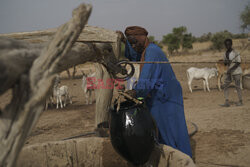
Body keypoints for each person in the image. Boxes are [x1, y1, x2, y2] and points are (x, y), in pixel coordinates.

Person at [117, 26, 192, 158]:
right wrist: (124, 42)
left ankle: (182, 161)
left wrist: (136, 92)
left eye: (134, 42)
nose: (133, 46)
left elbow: (147, 76)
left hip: (166, 97)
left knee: (172, 131)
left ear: (143, 37)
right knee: (161, 131)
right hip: (158, 96)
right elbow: (134, 55)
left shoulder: (152, 52)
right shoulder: (145, 50)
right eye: (131, 43)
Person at [220, 38, 243, 107]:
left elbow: (238, 62)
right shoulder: (224, 53)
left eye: (229, 44)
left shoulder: (236, 52)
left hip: (237, 72)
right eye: (226, 45)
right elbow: (225, 64)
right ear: (225, 45)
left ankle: (240, 101)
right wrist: (226, 62)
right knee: (226, 86)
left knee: (238, 86)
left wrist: (231, 69)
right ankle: (227, 102)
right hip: (229, 72)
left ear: (231, 44)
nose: (228, 46)